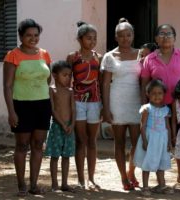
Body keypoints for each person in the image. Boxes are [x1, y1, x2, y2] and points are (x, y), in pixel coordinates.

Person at [140, 24, 180, 189]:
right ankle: (162, 181)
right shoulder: (149, 59)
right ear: (156, 38)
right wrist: (143, 105)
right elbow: (144, 83)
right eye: (162, 33)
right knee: (161, 141)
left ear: (175, 38)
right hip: (158, 108)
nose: (165, 36)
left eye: (169, 34)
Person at [3, 18, 51, 196]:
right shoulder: (12, 55)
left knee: (38, 144)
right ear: (21, 36)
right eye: (28, 35)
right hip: (22, 106)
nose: (33, 38)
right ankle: (21, 185)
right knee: (22, 146)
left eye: (36, 35)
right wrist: (11, 112)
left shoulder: (45, 54)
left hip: (43, 105)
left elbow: (47, 79)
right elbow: (7, 86)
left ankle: (34, 185)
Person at [101, 18, 141, 190]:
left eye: (128, 35)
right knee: (119, 142)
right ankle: (123, 177)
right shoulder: (109, 57)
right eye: (121, 35)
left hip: (136, 101)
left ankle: (132, 172)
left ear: (132, 36)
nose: (125, 38)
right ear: (115, 37)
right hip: (117, 100)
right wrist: (106, 108)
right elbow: (104, 84)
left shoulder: (141, 54)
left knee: (136, 142)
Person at [66, 21, 102, 190]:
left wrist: (103, 105)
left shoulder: (98, 57)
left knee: (92, 142)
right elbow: (66, 80)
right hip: (78, 101)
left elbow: (101, 82)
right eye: (89, 38)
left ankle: (92, 178)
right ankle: (81, 179)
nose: (92, 41)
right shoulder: (72, 57)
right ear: (79, 39)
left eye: (94, 38)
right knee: (81, 141)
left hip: (94, 102)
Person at [134, 79, 173, 196]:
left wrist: (169, 141)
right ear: (148, 94)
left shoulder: (166, 109)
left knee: (161, 163)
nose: (157, 96)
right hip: (150, 139)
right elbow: (143, 125)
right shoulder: (147, 108)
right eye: (154, 93)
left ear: (164, 94)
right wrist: (145, 140)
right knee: (147, 162)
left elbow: (168, 127)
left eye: (160, 93)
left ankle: (161, 185)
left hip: (162, 139)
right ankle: (145, 187)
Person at [44, 61, 75, 193]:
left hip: (69, 128)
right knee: (55, 156)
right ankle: (54, 184)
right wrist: (62, 124)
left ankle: (64, 183)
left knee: (66, 156)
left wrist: (72, 124)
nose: (68, 78)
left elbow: (73, 109)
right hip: (57, 127)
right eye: (64, 75)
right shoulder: (52, 90)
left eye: (69, 75)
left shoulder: (70, 91)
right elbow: (53, 110)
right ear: (55, 75)